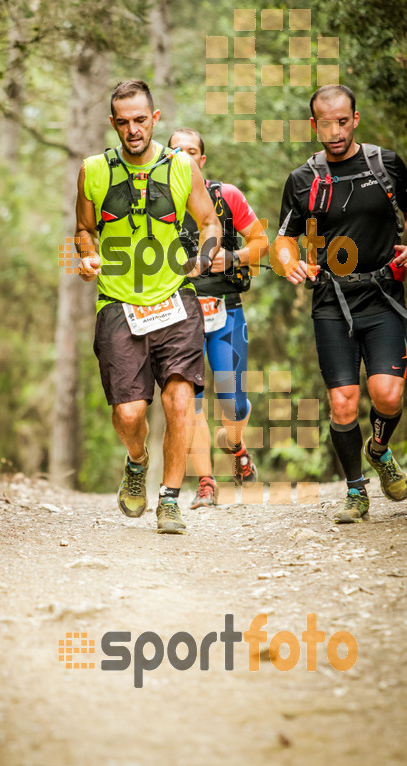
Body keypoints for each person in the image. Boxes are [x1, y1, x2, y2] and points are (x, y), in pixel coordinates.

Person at [75, 80, 221, 534]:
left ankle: (170, 498)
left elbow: (209, 220)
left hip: (176, 298)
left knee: (180, 401)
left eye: (141, 120)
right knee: (130, 413)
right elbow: (83, 229)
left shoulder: (181, 166)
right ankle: (137, 460)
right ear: (113, 123)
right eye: (124, 122)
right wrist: (85, 255)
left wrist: (206, 253)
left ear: (154, 118)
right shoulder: (93, 170)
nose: (133, 129)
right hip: (118, 302)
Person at [275, 84, 407, 523]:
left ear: (355, 118)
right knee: (344, 402)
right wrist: (290, 262)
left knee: (386, 394)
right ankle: (355, 491)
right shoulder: (303, 179)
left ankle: (379, 449)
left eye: (342, 120)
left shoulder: (385, 164)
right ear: (314, 124)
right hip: (332, 299)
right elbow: (283, 240)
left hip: (384, 294)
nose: (334, 131)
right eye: (325, 123)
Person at [168, 128, 268, 508]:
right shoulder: (158, 202)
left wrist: (234, 257)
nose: (185, 157)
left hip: (226, 313)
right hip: (178, 315)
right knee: (188, 403)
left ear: (202, 160)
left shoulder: (227, 197)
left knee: (234, 405)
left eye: (192, 151)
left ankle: (237, 445)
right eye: (177, 151)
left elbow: (264, 244)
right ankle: (206, 483)